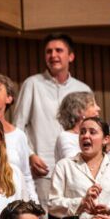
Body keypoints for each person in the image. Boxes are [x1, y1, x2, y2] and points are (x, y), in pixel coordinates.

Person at [14, 33, 91, 209]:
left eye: (59, 50)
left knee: (76, 218)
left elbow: (91, 128)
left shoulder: (83, 89)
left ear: (71, 56)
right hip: (43, 169)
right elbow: (18, 126)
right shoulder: (32, 84)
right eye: (49, 51)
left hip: (77, 169)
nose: (53, 55)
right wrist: (30, 155)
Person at [53, 91, 100, 164]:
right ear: (79, 111)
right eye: (93, 105)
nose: (98, 108)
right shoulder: (66, 137)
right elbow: (74, 164)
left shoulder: (98, 134)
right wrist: (108, 147)